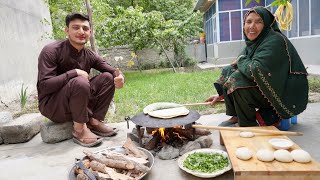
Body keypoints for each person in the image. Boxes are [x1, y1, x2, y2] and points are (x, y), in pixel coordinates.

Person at [206, 6, 308, 127]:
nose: (252, 26)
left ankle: (248, 124)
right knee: (229, 70)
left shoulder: (275, 40)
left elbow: (254, 69)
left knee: (237, 80)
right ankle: (237, 115)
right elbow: (238, 64)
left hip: (285, 92)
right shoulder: (256, 42)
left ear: (267, 24)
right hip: (270, 84)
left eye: (259, 22)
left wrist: (241, 60)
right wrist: (223, 94)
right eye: (248, 22)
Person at [37, 12, 125, 147]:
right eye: (75, 27)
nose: (81, 31)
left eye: (85, 28)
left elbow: (111, 71)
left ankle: (94, 122)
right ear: (67, 30)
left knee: (107, 77)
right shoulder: (51, 51)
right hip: (54, 106)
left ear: (90, 32)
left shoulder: (89, 54)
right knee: (79, 80)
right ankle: (79, 130)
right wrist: (73, 73)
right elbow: (44, 86)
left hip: (79, 103)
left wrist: (119, 77)